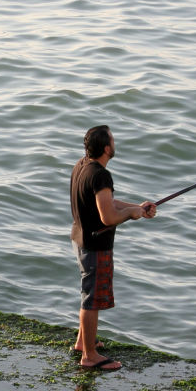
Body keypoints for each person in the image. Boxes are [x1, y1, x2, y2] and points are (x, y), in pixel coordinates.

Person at [69, 124, 156, 371]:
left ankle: (82, 342)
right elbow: (107, 216)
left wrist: (136, 206)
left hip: (80, 238)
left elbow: (106, 201)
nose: (115, 143)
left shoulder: (81, 165)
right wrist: (131, 213)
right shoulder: (101, 175)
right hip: (95, 244)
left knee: (88, 292)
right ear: (107, 148)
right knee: (92, 299)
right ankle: (89, 355)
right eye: (113, 140)